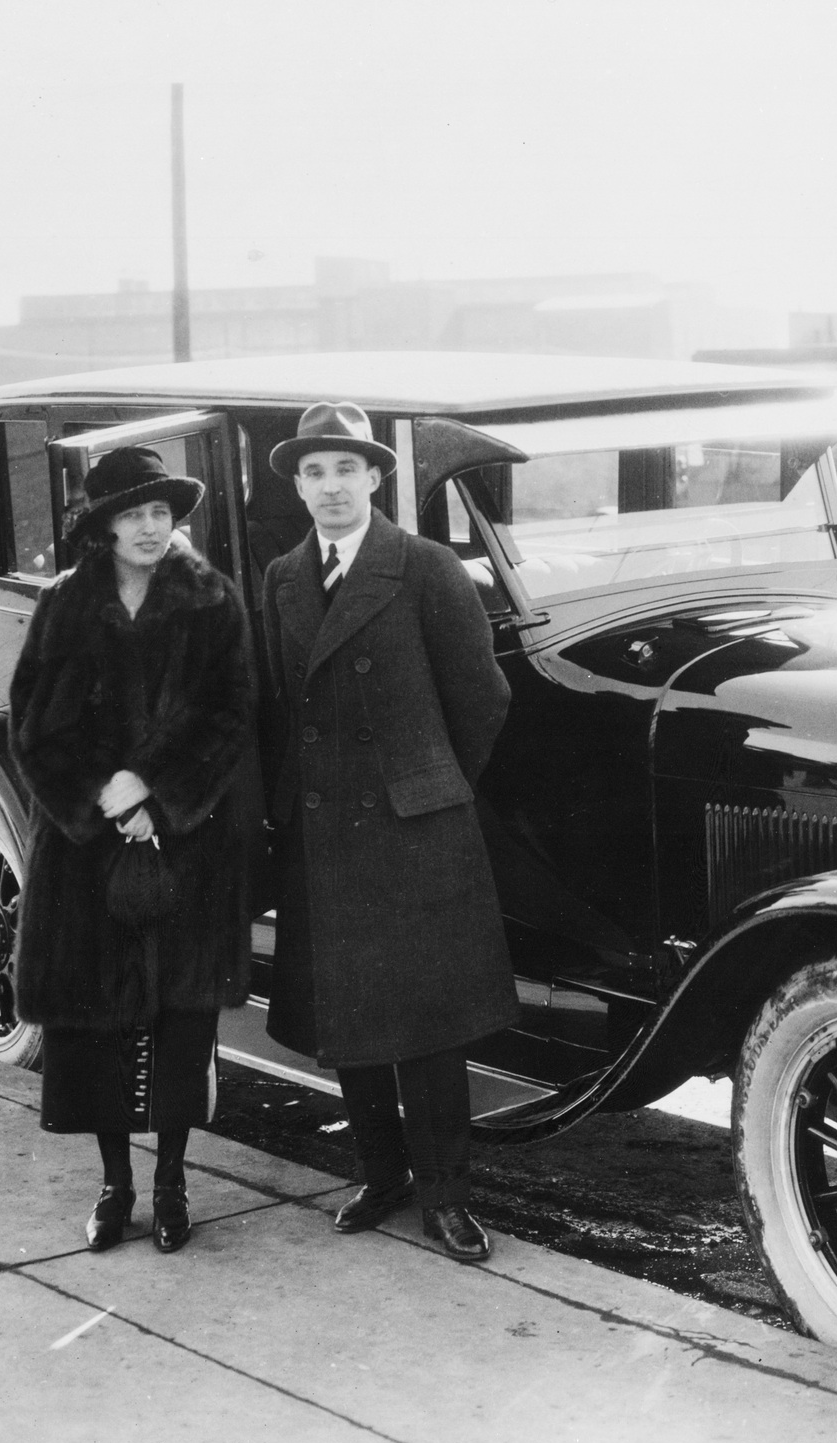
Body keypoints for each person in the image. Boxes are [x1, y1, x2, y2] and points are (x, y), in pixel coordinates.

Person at [258, 401, 516, 1263]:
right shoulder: (283, 578)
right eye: (314, 472)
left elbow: (480, 700)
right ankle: (382, 1175)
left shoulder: (427, 567)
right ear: (297, 485)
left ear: (376, 477)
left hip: (414, 832)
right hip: (327, 830)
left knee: (427, 1026)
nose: (330, 487)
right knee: (350, 1017)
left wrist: (426, 787)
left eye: (345, 469)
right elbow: (277, 705)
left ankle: (447, 1197)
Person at [9, 445, 256, 1255]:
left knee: (181, 1020)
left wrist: (158, 794)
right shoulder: (65, 604)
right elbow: (34, 725)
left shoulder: (212, 600)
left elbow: (231, 716)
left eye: (162, 512)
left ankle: (173, 1181)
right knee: (97, 1020)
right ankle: (116, 1184)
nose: (152, 527)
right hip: (86, 854)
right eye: (134, 514)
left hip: (185, 845)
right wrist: (103, 800)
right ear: (104, 526)